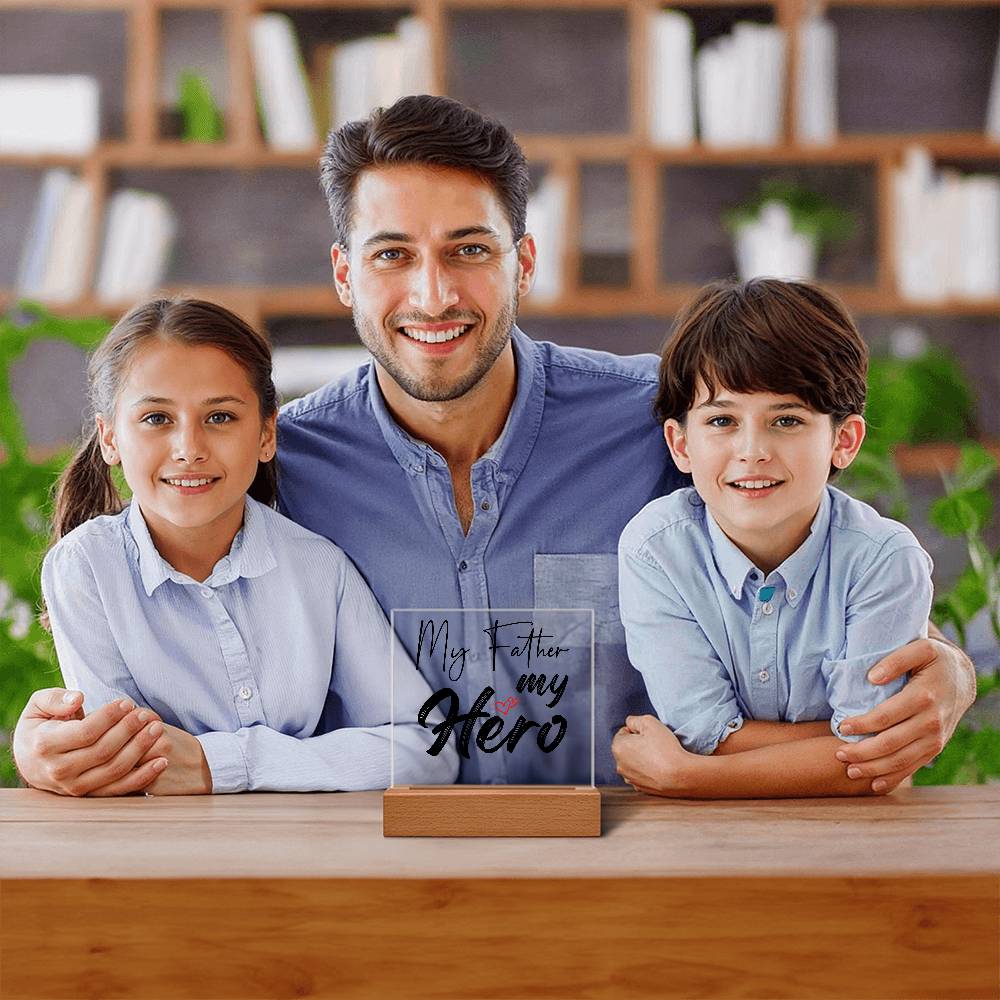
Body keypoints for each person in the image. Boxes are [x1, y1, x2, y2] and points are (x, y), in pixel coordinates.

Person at [13, 95, 975, 795]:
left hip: (652, 862)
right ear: (346, 275)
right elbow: (149, 604)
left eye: (469, 250)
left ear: (523, 260)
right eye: (394, 255)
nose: (433, 296)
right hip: (372, 881)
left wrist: (944, 667)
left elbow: (826, 563)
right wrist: (51, 739)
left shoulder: (664, 416)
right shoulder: (273, 462)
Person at [34, 297, 457, 794]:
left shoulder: (319, 568)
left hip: (305, 850)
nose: (188, 448)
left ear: (266, 434)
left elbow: (429, 747)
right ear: (110, 439)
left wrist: (221, 764)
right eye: (155, 418)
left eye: (220, 418)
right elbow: (125, 767)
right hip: (152, 857)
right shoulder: (85, 568)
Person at [613, 278, 934, 797]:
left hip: (855, 845)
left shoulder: (884, 561)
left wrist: (689, 776)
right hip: (699, 843)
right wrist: (844, 747)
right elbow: (700, 733)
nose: (752, 450)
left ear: (844, 440)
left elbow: (877, 760)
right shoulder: (656, 549)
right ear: (681, 445)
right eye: (722, 419)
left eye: (787, 420)